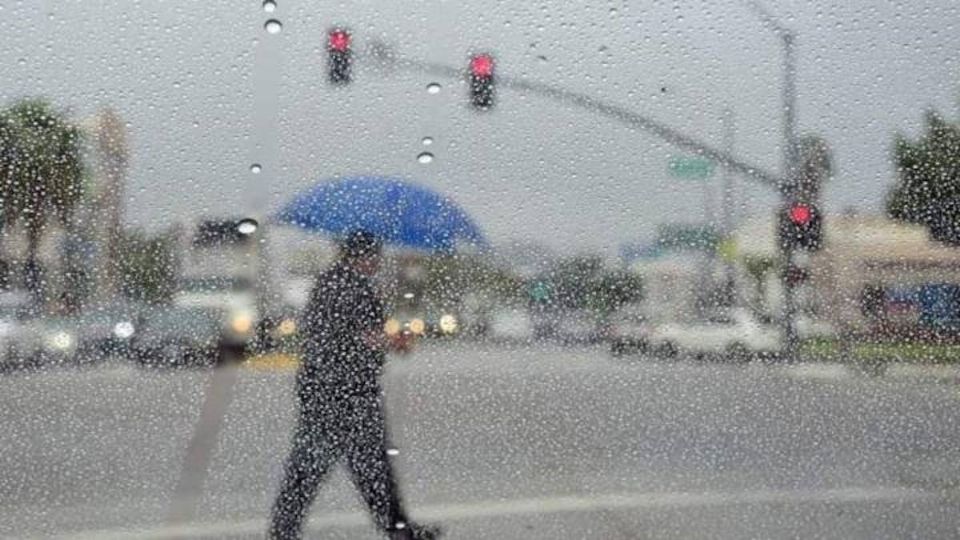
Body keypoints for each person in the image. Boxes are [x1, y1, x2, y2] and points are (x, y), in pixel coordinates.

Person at [269, 231, 440, 540]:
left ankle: (283, 531)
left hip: (320, 388)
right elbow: (363, 338)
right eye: (376, 256)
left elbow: (331, 336)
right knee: (365, 464)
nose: (378, 262)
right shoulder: (356, 288)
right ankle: (399, 530)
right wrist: (397, 340)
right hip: (350, 392)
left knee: (317, 465)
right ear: (365, 257)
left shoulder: (326, 283)